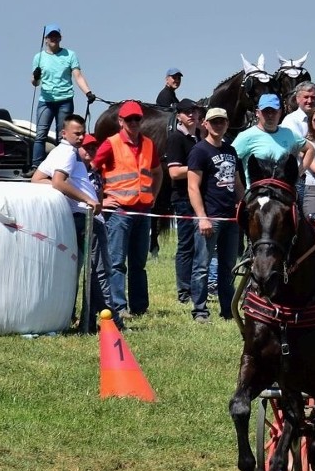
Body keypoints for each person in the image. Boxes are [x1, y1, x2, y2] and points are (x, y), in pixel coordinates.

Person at [31, 114, 122, 331]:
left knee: (89, 270)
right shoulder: (68, 154)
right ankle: (110, 323)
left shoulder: (59, 152)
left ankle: (88, 321)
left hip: (79, 216)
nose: (81, 137)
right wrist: (86, 199)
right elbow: (58, 182)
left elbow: (37, 179)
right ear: (64, 133)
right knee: (99, 271)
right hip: (86, 218)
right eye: (76, 133)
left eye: (82, 132)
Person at [91, 101, 162, 318]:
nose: (133, 123)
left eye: (137, 119)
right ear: (120, 121)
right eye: (129, 119)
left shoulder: (149, 144)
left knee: (139, 263)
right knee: (117, 262)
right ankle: (119, 307)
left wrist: (153, 197)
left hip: (143, 211)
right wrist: (102, 200)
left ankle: (140, 307)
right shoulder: (110, 144)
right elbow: (91, 171)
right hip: (119, 212)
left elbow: (158, 172)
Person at [187, 107, 244, 323]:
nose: (218, 125)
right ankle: (200, 310)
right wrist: (202, 217)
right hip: (210, 216)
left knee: (228, 266)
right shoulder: (199, 151)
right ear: (206, 124)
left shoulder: (231, 150)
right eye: (214, 122)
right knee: (202, 265)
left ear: (227, 124)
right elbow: (193, 186)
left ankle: (228, 310)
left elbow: (237, 183)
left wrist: (242, 204)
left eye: (222, 121)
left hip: (231, 218)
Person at [30, 24, 95, 168]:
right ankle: (36, 167)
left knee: (63, 136)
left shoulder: (69, 55)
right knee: (40, 134)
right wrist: (35, 77)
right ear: (46, 39)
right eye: (50, 36)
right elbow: (35, 83)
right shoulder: (39, 57)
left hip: (65, 100)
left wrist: (88, 92)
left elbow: (78, 76)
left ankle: (61, 166)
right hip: (46, 101)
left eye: (56, 36)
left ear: (60, 38)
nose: (53, 38)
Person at [165, 98, 202, 305]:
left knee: (201, 246)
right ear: (178, 115)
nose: (191, 114)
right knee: (186, 245)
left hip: (200, 197)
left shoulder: (199, 137)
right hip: (183, 199)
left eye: (194, 111)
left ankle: (197, 287)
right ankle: (184, 290)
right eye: (187, 111)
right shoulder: (176, 139)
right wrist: (198, 168)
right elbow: (174, 172)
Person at [233, 94, 314, 184]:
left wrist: (297, 174)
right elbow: (230, 160)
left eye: (273, 111)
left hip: (283, 193)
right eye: (266, 111)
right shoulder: (246, 136)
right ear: (257, 113)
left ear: (280, 112)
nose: (270, 115)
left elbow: (310, 149)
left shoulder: (289, 134)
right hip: (257, 193)